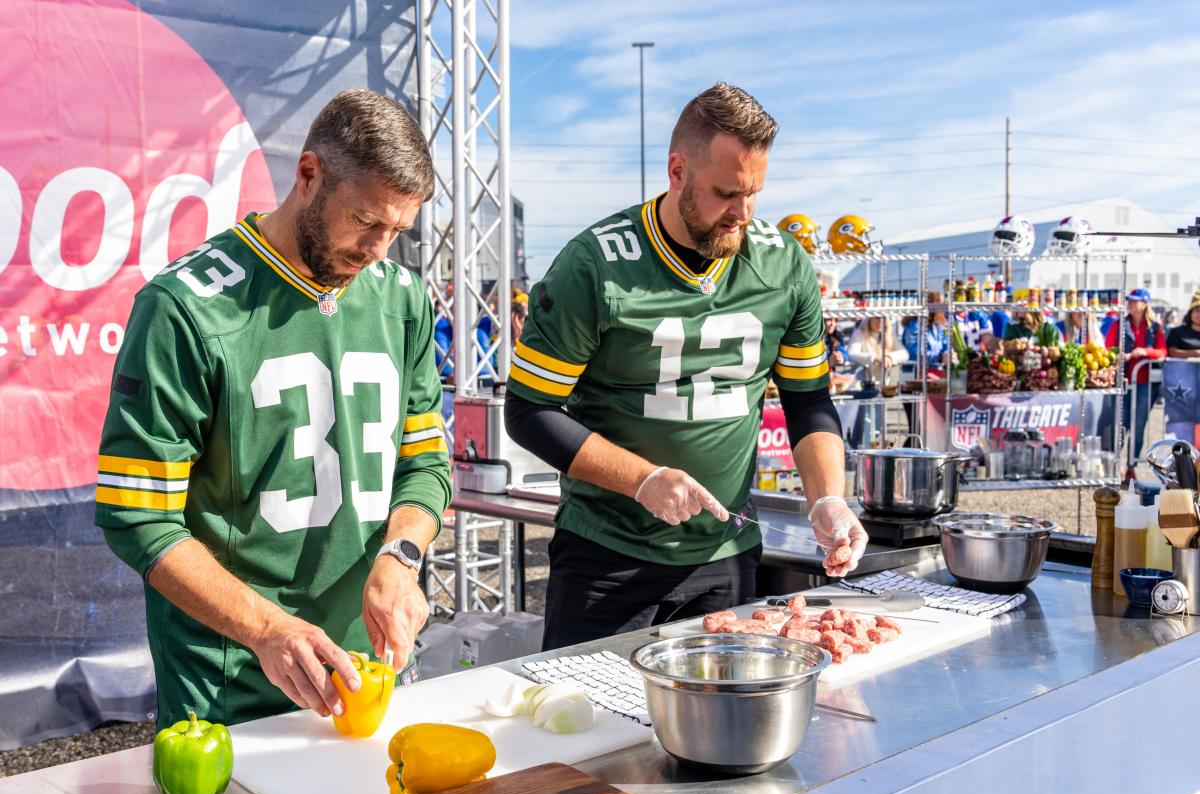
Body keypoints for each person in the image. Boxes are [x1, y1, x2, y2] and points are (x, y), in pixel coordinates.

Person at [95, 90, 450, 728]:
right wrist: (269, 630)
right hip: (230, 684)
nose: (379, 250)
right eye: (367, 220)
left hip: (365, 674)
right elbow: (136, 517)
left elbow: (425, 463)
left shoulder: (403, 299)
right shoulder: (185, 308)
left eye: (397, 231)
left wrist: (402, 554)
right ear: (309, 175)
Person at [503, 82, 867, 649]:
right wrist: (642, 479)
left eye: (754, 194)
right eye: (726, 193)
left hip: (726, 554)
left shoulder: (782, 264)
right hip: (608, 553)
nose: (742, 214)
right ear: (677, 171)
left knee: (723, 731)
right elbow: (528, 411)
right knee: (595, 728)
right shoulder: (594, 266)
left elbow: (807, 400)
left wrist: (828, 498)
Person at [1106, 288, 1166, 477]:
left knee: (1138, 427)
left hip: (1145, 385)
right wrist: (1118, 355)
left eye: (1134, 300)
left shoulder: (1155, 327)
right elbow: (1108, 349)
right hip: (1123, 382)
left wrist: (1143, 353)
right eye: (1129, 300)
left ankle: (1131, 467)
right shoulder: (1118, 325)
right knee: (1120, 425)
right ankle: (1114, 466)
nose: (1130, 303)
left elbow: (1163, 352)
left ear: (1144, 303)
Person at [846, 317, 908, 447]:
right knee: (864, 422)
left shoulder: (888, 335)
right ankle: (861, 450)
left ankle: (874, 451)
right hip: (863, 388)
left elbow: (904, 353)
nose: (880, 322)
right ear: (869, 319)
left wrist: (890, 357)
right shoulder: (860, 333)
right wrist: (873, 357)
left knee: (878, 423)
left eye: (884, 319)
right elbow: (852, 353)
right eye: (876, 318)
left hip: (882, 388)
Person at [1166, 291, 1200, 358]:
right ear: (1190, 312)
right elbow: (1172, 352)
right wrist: (1194, 353)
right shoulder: (1176, 332)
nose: (1199, 314)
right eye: (1197, 310)